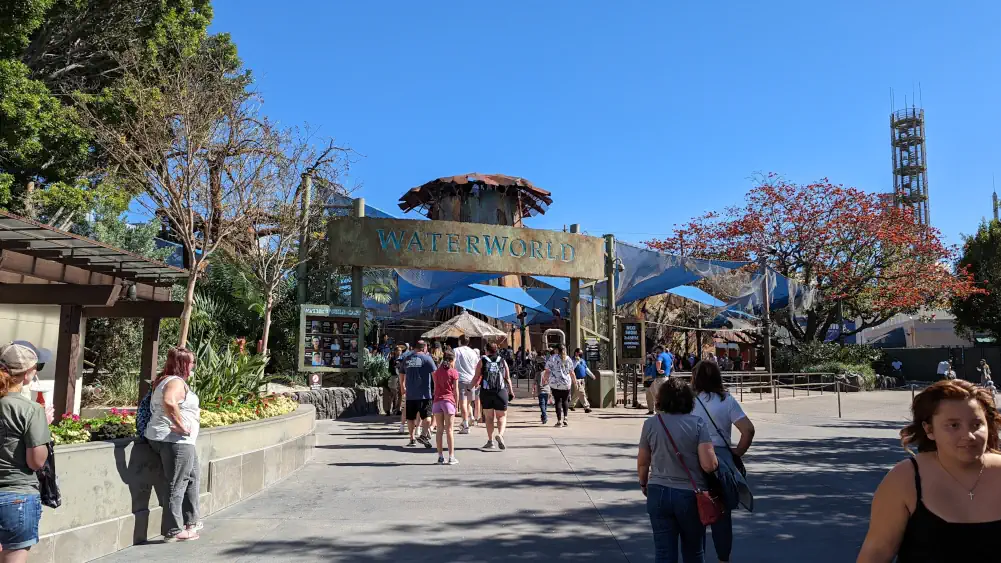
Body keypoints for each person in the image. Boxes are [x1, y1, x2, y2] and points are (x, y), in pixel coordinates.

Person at [857, 379, 1001, 562]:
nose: (968, 436)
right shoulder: (904, 480)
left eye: (976, 424)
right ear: (929, 429)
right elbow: (875, 554)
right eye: (954, 425)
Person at [638, 377, 719, 563]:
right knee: (694, 551)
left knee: (664, 553)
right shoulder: (698, 424)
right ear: (689, 400)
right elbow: (709, 464)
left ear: (661, 400)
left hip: (658, 492)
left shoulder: (650, 424)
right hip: (691, 495)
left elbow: (643, 462)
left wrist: (644, 483)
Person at [691, 361, 755, 563]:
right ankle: (723, 558)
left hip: (695, 458)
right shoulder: (726, 400)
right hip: (721, 461)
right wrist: (737, 451)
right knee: (722, 511)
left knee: (695, 511)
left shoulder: (690, 401)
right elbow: (748, 429)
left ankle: (696, 556)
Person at [0, 343, 52, 560]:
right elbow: (36, 462)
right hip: (16, 494)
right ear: (28, 374)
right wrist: (44, 427)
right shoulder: (30, 409)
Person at [146, 347, 201, 542]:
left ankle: (190, 522)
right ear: (183, 364)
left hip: (176, 440)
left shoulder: (164, 380)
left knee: (192, 477)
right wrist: (181, 426)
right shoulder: (176, 382)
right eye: (191, 362)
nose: (193, 366)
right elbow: (169, 402)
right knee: (176, 484)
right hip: (175, 441)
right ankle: (173, 530)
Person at [471, 342, 515, 450]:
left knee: (489, 418)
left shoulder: (482, 360)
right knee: (501, 416)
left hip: (486, 392)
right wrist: (511, 391)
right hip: (500, 391)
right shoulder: (502, 360)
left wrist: (469, 388)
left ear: (486, 350)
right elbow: (507, 377)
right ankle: (500, 434)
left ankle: (490, 441)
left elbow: (476, 376)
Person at [404, 341, 436, 449]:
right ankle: (423, 435)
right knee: (427, 417)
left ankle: (412, 438)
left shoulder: (407, 358)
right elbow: (434, 375)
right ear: (425, 348)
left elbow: (401, 372)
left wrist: (402, 386)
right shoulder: (427, 359)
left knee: (410, 417)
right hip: (424, 394)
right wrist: (436, 388)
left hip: (410, 393)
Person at [432, 350, 460, 465]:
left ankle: (440, 457)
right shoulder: (453, 372)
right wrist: (456, 405)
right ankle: (451, 456)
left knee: (439, 430)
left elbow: (434, 389)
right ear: (452, 360)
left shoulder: (436, 372)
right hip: (448, 401)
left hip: (437, 401)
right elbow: (456, 391)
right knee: (449, 430)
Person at [453, 335, 480, 434]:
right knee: (468, 403)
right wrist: (476, 380)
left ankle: (465, 425)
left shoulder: (455, 351)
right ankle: (467, 420)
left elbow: (452, 363)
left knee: (463, 404)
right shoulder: (473, 352)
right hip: (471, 380)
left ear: (460, 341)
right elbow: (477, 366)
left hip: (460, 379)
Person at [545, 345, 575, 427]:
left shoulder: (553, 358)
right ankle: (565, 418)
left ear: (557, 350)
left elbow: (547, 370)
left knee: (557, 401)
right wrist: (575, 382)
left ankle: (559, 421)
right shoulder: (568, 359)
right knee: (565, 400)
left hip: (555, 383)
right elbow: (572, 372)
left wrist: (545, 379)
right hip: (566, 383)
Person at [570, 348, 595, 413]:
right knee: (581, 393)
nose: (581, 354)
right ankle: (586, 407)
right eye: (579, 353)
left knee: (577, 393)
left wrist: (591, 375)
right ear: (576, 353)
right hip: (576, 379)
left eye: (581, 353)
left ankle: (571, 405)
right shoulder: (572, 360)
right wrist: (576, 361)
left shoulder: (583, 360)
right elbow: (571, 368)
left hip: (582, 379)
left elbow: (586, 368)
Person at [395, 345, 411, 434]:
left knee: (406, 406)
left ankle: (402, 425)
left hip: (406, 384)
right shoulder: (407, 358)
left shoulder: (404, 358)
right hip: (409, 385)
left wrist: (402, 385)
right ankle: (416, 428)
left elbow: (401, 373)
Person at [534, 354, 551, 424]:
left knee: (542, 405)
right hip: (547, 390)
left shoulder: (538, 374)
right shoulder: (548, 373)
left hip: (540, 391)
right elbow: (550, 381)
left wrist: (533, 391)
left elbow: (535, 383)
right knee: (545, 405)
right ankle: (543, 416)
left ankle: (544, 416)